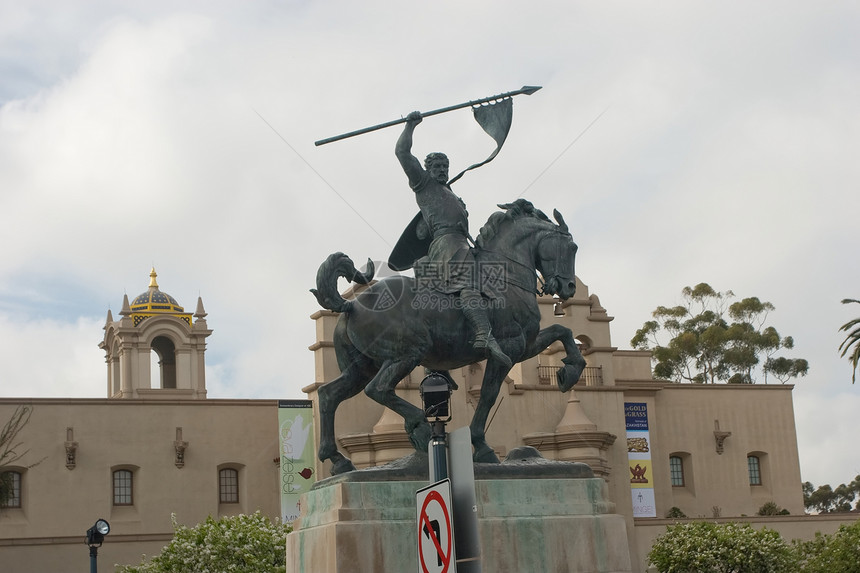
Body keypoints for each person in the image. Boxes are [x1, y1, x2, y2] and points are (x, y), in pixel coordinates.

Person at [395, 111, 511, 369]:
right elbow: (402, 153)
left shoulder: (449, 192)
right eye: (437, 167)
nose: (442, 171)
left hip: (461, 243)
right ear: (427, 170)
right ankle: (484, 334)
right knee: (469, 282)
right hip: (447, 245)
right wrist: (410, 126)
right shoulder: (423, 184)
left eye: (445, 167)